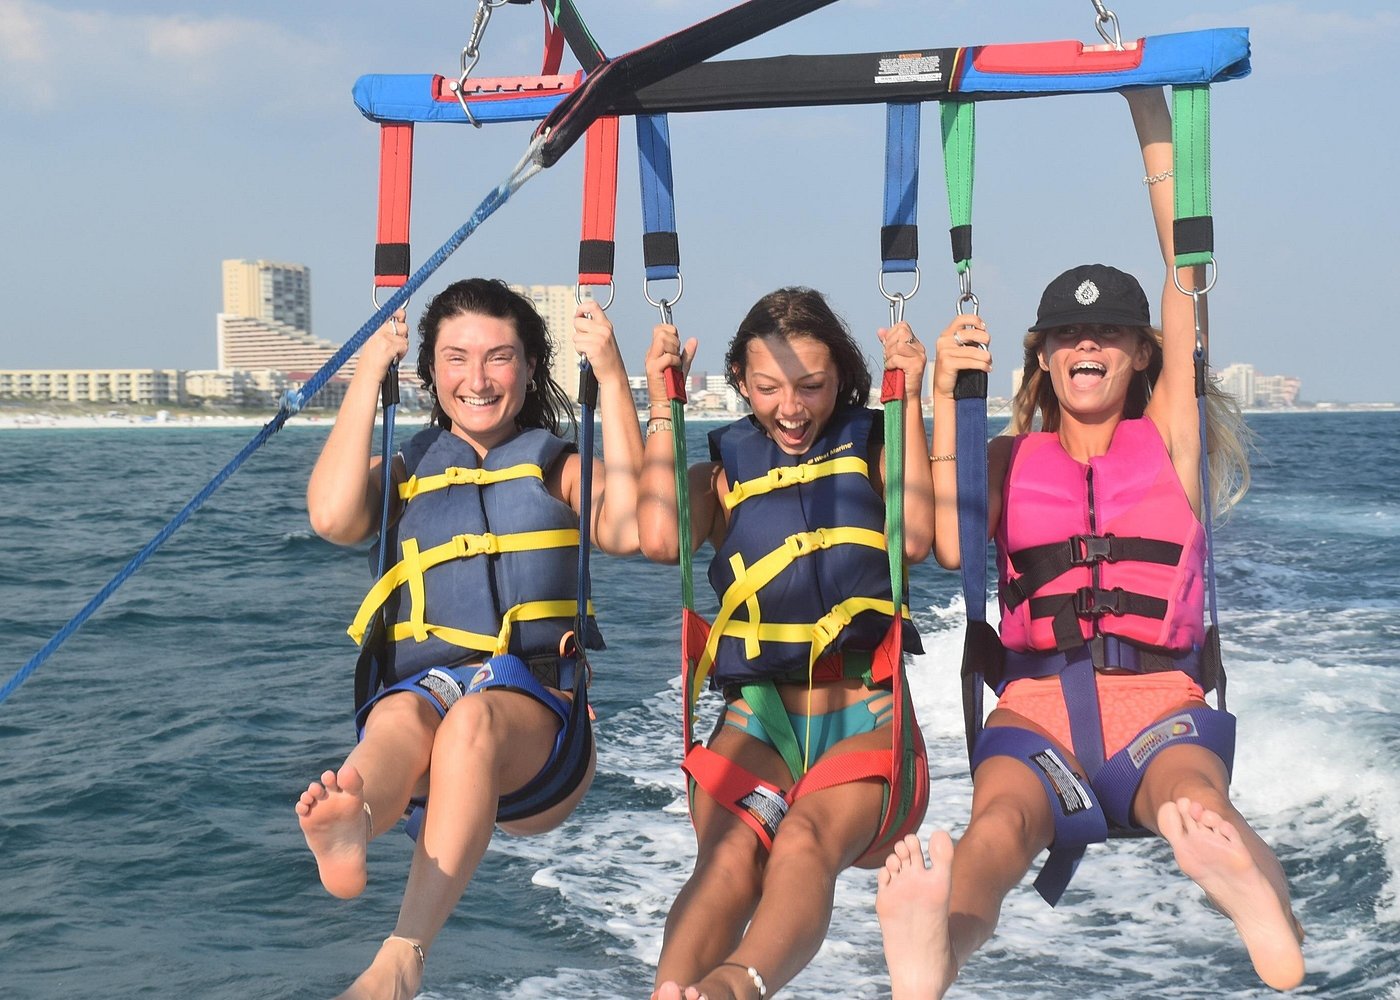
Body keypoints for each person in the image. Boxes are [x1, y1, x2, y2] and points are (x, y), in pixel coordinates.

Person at [874, 89, 1305, 998]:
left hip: (1160, 707)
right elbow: (931, 536)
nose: (1087, 346)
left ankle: (1262, 912)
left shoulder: (1176, 443)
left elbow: (1187, 270)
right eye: (1067, 334)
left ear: (1142, 354)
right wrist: (927, 391)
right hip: (1035, 712)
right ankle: (932, 954)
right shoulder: (1001, 457)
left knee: (1200, 810)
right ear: (1040, 354)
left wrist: (1156, 115)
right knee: (993, 835)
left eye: (1109, 331)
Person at [295, 278, 643, 1000]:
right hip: (430, 694)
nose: (477, 379)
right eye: (455, 358)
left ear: (528, 368)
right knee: (397, 716)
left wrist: (611, 376)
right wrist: (367, 372)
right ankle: (355, 818)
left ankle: (402, 956)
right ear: (428, 372)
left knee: (472, 723)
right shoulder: (409, 469)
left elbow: (634, 524)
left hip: (541, 733)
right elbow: (331, 516)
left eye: (499, 357)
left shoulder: (560, 466)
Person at [638, 287, 936, 1000]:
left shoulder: (874, 450)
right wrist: (660, 402)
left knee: (802, 843)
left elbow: (917, 539)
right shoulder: (718, 479)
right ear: (740, 383)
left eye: (812, 386)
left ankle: (735, 989)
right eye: (769, 388)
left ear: (843, 380)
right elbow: (656, 539)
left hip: (863, 715)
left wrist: (911, 399)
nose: (792, 409)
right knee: (730, 857)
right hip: (760, 718)